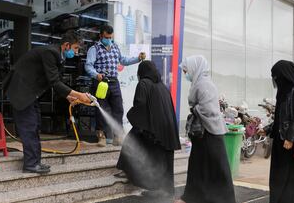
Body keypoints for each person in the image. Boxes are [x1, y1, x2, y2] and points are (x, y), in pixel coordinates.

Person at [3, 32, 91, 174]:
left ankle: (35, 161)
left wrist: (69, 96)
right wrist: (79, 94)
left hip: (31, 93)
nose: (76, 52)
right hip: (20, 91)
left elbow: (56, 81)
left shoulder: (58, 56)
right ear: (66, 45)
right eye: (75, 48)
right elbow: (54, 82)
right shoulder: (50, 53)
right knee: (29, 126)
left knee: (36, 124)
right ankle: (31, 164)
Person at [175, 55, 236, 203]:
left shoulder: (203, 84)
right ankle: (194, 197)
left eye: (186, 71)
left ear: (194, 69)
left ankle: (222, 199)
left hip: (210, 133)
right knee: (199, 168)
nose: (185, 74)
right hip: (204, 134)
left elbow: (209, 110)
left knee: (215, 169)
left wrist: (195, 108)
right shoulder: (199, 83)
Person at [116, 61, 181, 197]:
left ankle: (127, 170)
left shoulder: (144, 83)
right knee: (160, 158)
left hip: (154, 129)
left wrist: (130, 115)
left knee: (131, 140)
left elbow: (140, 105)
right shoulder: (162, 86)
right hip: (166, 130)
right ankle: (163, 189)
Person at [259, 60, 294, 203]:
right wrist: (267, 129)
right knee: (280, 176)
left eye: (276, 76)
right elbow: (281, 119)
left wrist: (290, 138)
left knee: (290, 177)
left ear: (284, 75)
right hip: (280, 141)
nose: (275, 80)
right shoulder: (283, 92)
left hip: (290, 143)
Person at [85, 25, 146, 147]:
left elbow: (123, 61)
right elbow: (88, 66)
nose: (109, 39)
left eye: (110, 37)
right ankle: (101, 135)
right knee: (101, 109)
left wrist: (138, 58)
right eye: (106, 37)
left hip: (114, 82)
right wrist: (96, 75)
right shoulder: (94, 49)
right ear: (101, 36)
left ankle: (118, 135)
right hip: (101, 83)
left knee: (118, 108)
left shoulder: (115, 47)